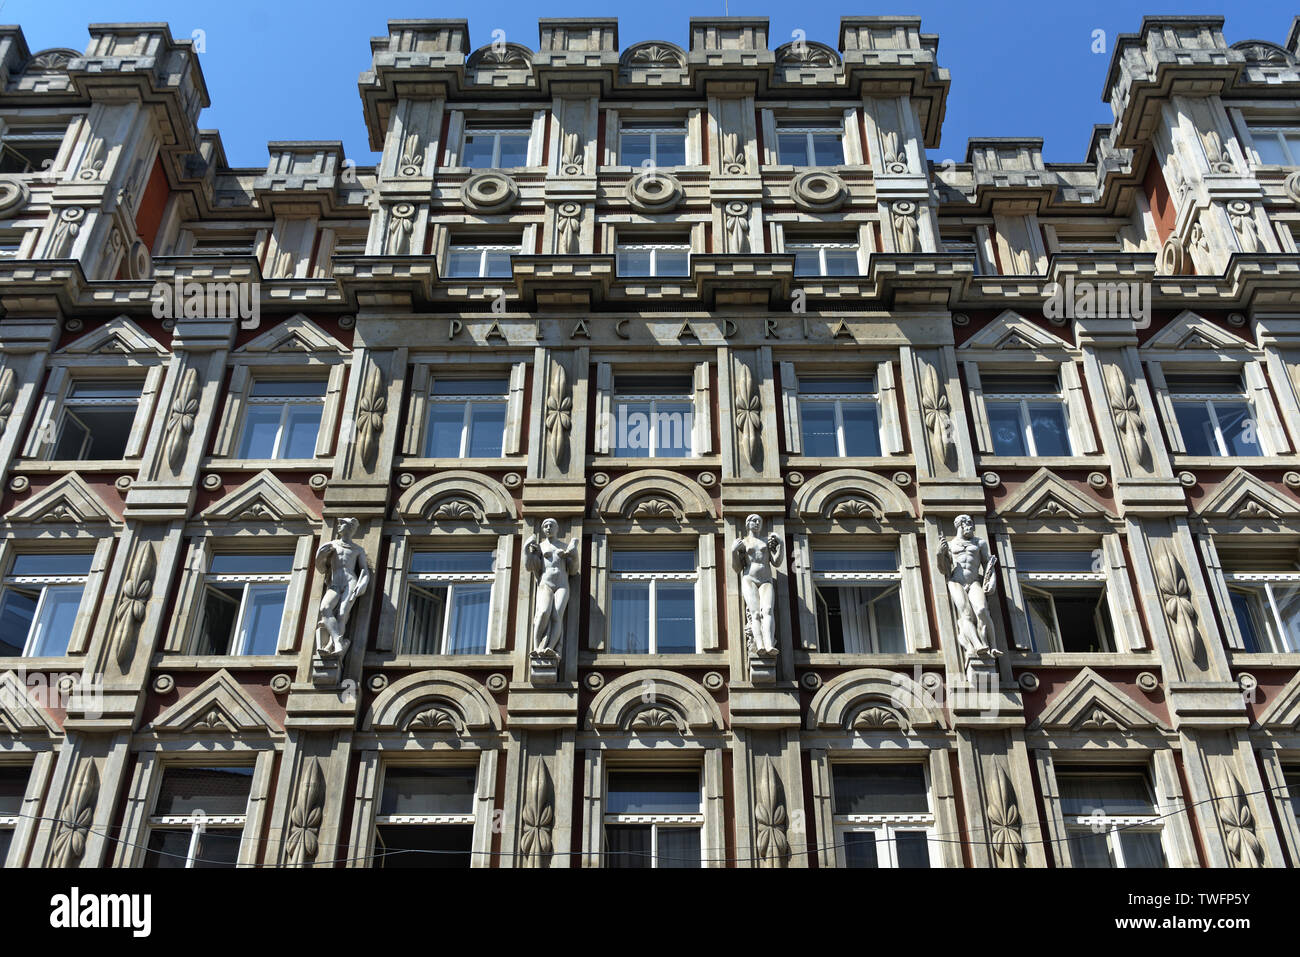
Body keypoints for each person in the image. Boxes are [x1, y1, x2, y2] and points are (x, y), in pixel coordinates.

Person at [936, 514, 1000, 664]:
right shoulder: (951, 545)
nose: (970, 527)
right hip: (956, 581)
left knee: (982, 610)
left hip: (974, 581)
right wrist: (940, 553)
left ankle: (991, 645)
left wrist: (992, 580)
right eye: (967, 524)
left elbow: (988, 563)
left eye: (971, 524)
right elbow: (943, 569)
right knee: (966, 614)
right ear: (960, 526)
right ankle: (977, 645)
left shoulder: (980, 543)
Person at [315, 517, 370, 659]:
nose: (346, 529)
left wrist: (362, 584)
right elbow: (320, 567)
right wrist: (321, 555)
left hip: (351, 581)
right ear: (339, 529)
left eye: (350, 527)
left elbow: (364, 569)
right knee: (325, 608)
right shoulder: (331, 545)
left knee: (342, 613)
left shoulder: (358, 549)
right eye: (344, 526)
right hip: (335, 583)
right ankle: (337, 641)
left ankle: (332, 645)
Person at [524, 518, 579, 659]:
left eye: (551, 525)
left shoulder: (564, 546)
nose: (548, 528)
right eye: (545, 526)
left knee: (557, 616)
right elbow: (530, 567)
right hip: (545, 584)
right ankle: (537, 648)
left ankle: (551, 648)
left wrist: (573, 555)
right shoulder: (540, 547)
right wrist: (528, 552)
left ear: (557, 528)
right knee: (543, 612)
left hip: (562, 585)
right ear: (543, 529)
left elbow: (573, 570)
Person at [731, 513, 782, 657]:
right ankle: (759, 644)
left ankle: (769, 644)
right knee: (755, 613)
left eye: (759, 521)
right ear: (747, 524)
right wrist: (733, 551)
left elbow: (777, 562)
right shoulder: (744, 542)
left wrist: (781, 545)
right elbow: (736, 568)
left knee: (768, 610)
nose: (757, 523)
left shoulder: (767, 541)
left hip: (766, 580)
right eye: (753, 520)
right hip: (749, 579)